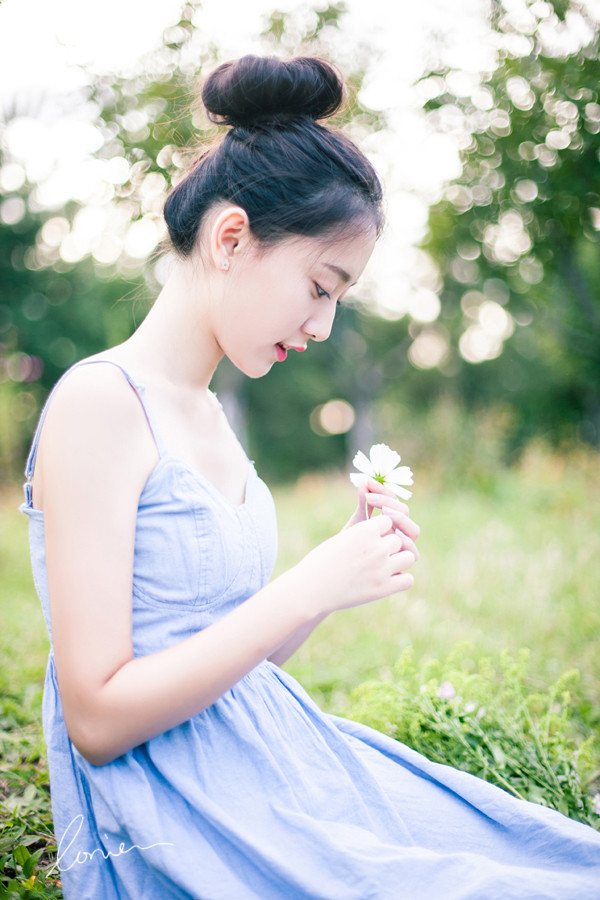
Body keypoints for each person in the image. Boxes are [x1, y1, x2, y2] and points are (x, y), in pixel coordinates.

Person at [21, 54, 600, 900]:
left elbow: (231, 654)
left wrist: (326, 580)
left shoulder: (209, 414)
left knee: (550, 857)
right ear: (231, 238)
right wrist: (304, 590)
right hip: (181, 807)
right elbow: (100, 719)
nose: (323, 324)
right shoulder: (99, 404)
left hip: (273, 757)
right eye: (321, 286)